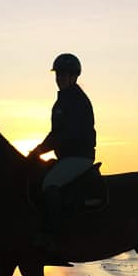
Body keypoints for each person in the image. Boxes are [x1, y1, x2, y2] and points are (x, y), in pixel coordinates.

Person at [29, 53, 96, 245]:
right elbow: (55, 133)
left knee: (51, 183)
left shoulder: (76, 100)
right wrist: (38, 150)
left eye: (64, 75)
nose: (60, 79)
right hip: (67, 157)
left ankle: (53, 235)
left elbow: (66, 133)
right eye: (58, 75)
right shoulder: (63, 100)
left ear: (74, 76)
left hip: (78, 157)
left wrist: (40, 150)